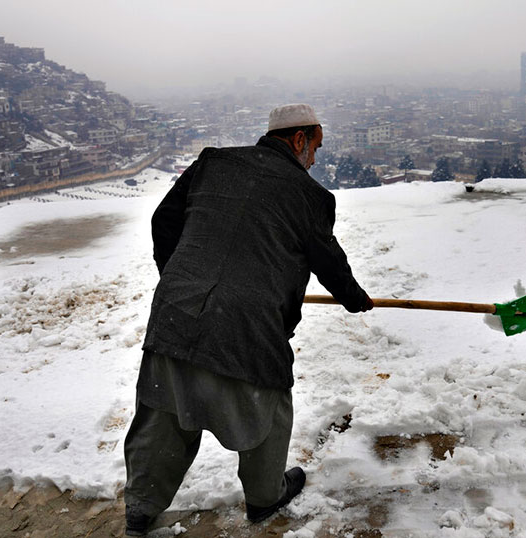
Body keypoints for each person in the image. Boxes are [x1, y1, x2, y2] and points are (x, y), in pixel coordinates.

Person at [123, 104, 373, 536]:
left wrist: (182, 280)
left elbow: (163, 222)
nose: (314, 159)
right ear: (299, 139)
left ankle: (142, 507)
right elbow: (328, 261)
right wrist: (355, 299)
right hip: (248, 325)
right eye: (314, 147)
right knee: (267, 408)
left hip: (176, 313)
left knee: (164, 408)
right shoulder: (309, 196)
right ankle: (264, 497)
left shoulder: (212, 163)